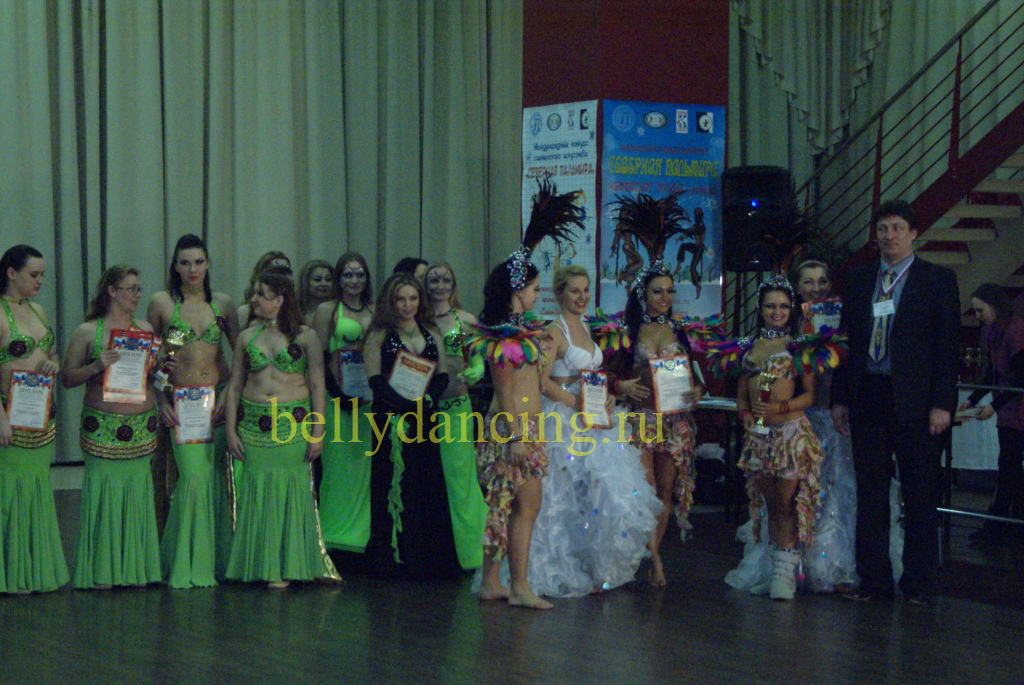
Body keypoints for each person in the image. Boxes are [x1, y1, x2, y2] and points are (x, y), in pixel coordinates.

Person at [832, 199, 960, 605]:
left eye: (897, 228)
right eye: (883, 229)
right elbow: (846, 343)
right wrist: (839, 398)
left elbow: (948, 347)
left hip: (917, 402)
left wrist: (943, 404)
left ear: (914, 233)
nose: (889, 236)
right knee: (870, 493)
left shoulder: (937, 279)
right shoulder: (859, 279)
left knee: (920, 492)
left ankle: (918, 581)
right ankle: (874, 580)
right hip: (868, 394)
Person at [530, 265, 660, 596]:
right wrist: (576, 402)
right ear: (559, 293)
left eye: (585, 290)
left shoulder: (586, 326)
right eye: (574, 291)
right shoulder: (553, 332)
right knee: (565, 493)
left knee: (601, 490)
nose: (582, 296)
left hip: (593, 415)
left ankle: (595, 564)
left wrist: (606, 396)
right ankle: (563, 562)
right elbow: (542, 381)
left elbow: (593, 375)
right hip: (565, 416)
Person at [607, 190, 702, 588]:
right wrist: (621, 385)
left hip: (675, 421)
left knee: (666, 491)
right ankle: (644, 556)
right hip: (641, 420)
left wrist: (696, 393)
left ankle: (655, 554)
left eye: (669, 291)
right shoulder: (627, 330)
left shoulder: (681, 331)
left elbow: (695, 377)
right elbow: (605, 376)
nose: (665, 298)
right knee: (643, 491)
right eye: (658, 291)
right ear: (643, 294)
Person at [224, 270, 339, 587]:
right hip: (254, 428)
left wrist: (318, 432)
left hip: (293, 427)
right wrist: (231, 430)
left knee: (291, 492)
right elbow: (234, 387)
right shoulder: (247, 337)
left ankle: (289, 565)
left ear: (280, 299)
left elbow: (317, 386)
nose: (254, 300)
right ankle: (261, 566)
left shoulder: (306, 336)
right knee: (257, 492)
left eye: (260, 295)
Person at [719, 274, 825, 600]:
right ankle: (774, 570)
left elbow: (809, 395)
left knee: (786, 503)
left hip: (791, 434)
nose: (777, 312)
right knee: (770, 504)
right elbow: (742, 396)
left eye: (783, 306)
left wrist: (782, 407)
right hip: (760, 437)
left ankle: (784, 576)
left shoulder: (799, 346)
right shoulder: (748, 347)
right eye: (770, 306)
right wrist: (746, 416)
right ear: (761, 309)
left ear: (791, 309)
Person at [147, 234, 241, 588]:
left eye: (199, 262)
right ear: (175, 265)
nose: (192, 269)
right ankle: (187, 563)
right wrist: (161, 400)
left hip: (216, 403)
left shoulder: (223, 304)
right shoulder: (162, 303)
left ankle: (214, 562)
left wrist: (228, 397)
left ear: (208, 264)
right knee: (193, 478)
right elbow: (151, 362)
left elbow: (242, 356)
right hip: (181, 403)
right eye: (185, 262)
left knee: (212, 479)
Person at [63, 266, 162, 589]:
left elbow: (151, 376)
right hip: (102, 424)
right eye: (130, 289)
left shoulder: (145, 329)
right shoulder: (87, 332)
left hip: (141, 423)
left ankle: (135, 569)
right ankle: (101, 571)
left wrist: (163, 370)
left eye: (138, 289)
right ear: (111, 291)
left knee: (137, 491)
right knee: (103, 490)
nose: (137, 295)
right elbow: (67, 378)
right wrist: (96, 366)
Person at [362, 273, 460, 579]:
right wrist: (404, 406)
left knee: (426, 481)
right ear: (390, 302)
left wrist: (426, 401)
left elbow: (442, 374)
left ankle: (427, 557)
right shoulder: (379, 333)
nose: (408, 305)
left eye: (413, 298)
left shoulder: (430, 331)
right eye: (401, 299)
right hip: (390, 419)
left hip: (424, 418)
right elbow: (374, 380)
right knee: (393, 482)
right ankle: (392, 556)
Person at [0, 245, 68, 593]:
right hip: (9, 414)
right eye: (33, 274)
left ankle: (33, 569)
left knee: (36, 487)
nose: (40, 281)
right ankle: (11, 573)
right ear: (11, 273)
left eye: (42, 274)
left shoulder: (37, 310)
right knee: (9, 491)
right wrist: (0, 418)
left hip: (40, 413)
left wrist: (52, 362)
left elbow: (49, 352)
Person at [424, 261, 488, 570]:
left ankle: (469, 548)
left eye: (445, 279)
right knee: (429, 478)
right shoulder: (418, 320)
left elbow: (478, 358)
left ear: (453, 284)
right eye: (433, 280)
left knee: (461, 476)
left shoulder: (466, 320)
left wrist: (477, 368)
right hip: (423, 410)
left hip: (456, 407)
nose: (439, 285)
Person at [311, 252, 375, 554]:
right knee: (336, 467)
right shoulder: (327, 310)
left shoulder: (375, 310)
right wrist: (337, 394)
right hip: (336, 399)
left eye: (359, 274)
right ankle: (331, 535)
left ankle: (360, 536)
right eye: (348, 274)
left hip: (367, 401)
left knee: (363, 467)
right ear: (339, 279)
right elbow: (318, 359)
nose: (354, 280)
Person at [959, 283, 1024, 540]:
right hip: (1008, 408)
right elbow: (993, 373)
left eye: (980, 310)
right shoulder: (993, 330)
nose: (977, 317)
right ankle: (1010, 524)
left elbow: (1019, 378)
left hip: (1017, 409)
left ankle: (1000, 525)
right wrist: (973, 398)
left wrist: (993, 405)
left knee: (1009, 466)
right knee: (1010, 466)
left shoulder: (1015, 330)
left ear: (995, 307)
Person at [237, 252, 292, 327]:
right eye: (275, 271)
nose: (280, 276)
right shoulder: (245, 311)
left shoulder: (294, 309)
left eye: (285, 271)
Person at [298, 259, 334, 325]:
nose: (324, 284)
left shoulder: (339, 309)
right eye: (317, 279)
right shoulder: (295, 311)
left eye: (328, 279)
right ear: (306, 282)